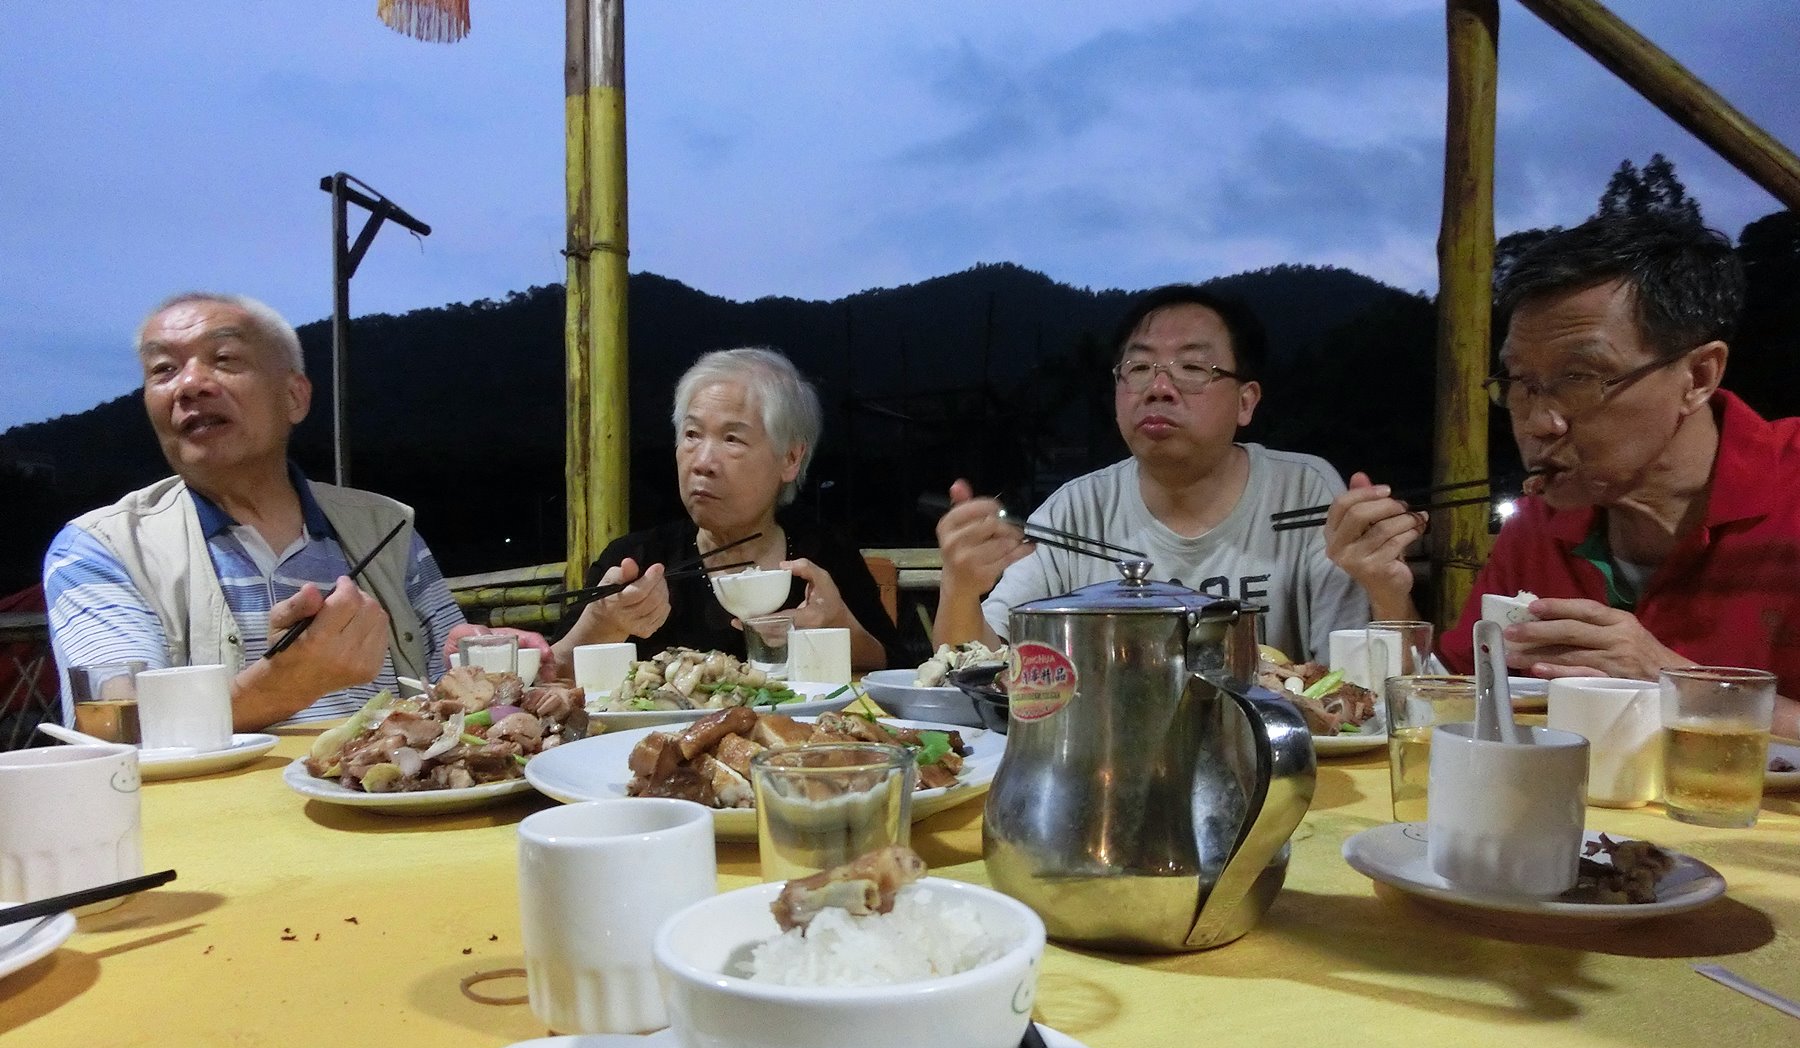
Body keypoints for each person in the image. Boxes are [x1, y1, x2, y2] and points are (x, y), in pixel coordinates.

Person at [1326, 212, 1800, 739]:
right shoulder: (1542, 520)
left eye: (1579, 377)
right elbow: (1456, 702)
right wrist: (1388, 591)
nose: (1538, 424)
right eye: (1521, 383)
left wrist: (1673, 682)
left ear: (1698, 376)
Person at [43, 292, 487, 731]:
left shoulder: (386, 526)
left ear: (294, 397)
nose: (189, 384)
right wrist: (285, 683)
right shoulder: (102, 548)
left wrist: (488, 665)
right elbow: (116, 728)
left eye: (224, 359)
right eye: (163, 369)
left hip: (387, 776)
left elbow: (453, 691)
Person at [932, 284, 1369, 661]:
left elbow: (1353, 670)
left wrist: (1385, 587)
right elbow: (979, 663)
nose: (1160, 388)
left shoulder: (1303, 493)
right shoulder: (1076, 512)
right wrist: (961, 588)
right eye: (1139, 369)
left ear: (1245, 402)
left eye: (1192, 368)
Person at [550, 348, 906, 673]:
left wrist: (840, 627)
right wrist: (600, 625)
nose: (702, 463)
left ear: (790, 458)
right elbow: (551, 674)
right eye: (692, 434)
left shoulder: (822, 557)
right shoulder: (637, 561)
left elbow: (898, 668)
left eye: (732, 439)